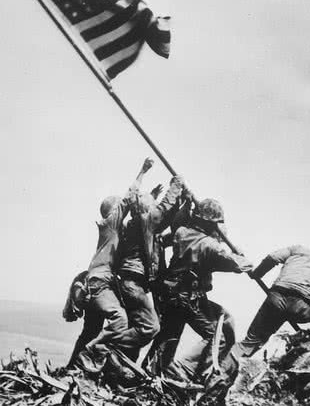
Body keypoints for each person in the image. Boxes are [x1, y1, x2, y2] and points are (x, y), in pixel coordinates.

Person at [143, 198, 253, 385]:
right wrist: (240, 257)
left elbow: (163, 240)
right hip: (188, 298)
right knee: (221, 335)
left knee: (169, 336)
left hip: (171, 293)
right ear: (211, 224)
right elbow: (239, 265)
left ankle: (152, 372)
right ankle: (187, 372)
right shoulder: (210, 246)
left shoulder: (181, 232)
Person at [72, 157, 154, 372]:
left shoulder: (113, 230)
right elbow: (128, 198)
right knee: (120, 320)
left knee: (90, 329)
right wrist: (142, 171)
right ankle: (90, 355)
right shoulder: (111, 224)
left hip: (98, 282)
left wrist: (150, 198)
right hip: (100, 282)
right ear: (113, 211)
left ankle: (73, 367)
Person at [113, 175, 186, 361]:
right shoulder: (145, 221)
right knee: (150, 327)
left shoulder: (140, 227)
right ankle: (106, 346)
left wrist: (184, 204)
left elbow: (167, 224)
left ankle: (121, 368)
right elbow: (162, 211)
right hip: (133, 284)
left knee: (136, 327)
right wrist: (176, 186)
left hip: (132, 284)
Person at [235, 240, 310, 358]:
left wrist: (257, 274)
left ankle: (225, 363)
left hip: (275, 300)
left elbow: (272, 257)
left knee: (251, 341)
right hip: (299, 308)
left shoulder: (297, 250)